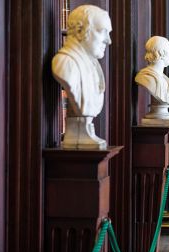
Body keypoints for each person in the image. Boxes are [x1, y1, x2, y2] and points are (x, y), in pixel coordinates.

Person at [52, 5, 112, 148]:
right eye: (103, 32)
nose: (108, 40)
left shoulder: (92, 64)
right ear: (80, 31)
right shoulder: (65, 64)